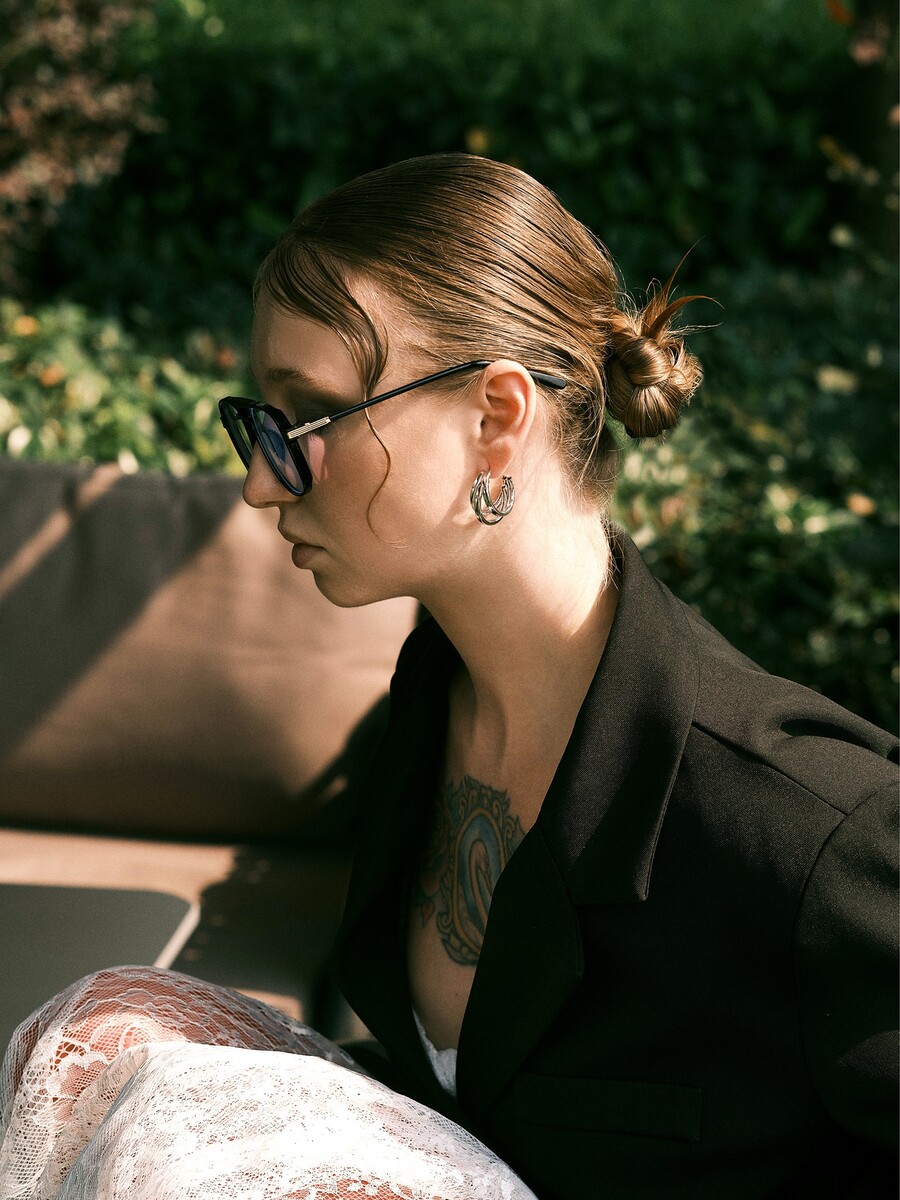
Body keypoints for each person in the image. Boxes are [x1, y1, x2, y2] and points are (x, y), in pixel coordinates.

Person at [1, 153, 896, 1200]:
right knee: (103, 1027)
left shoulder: (812, 833)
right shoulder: (431, 701)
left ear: (496, 418)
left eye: (306, 421)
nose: (259, 484)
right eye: (259, 425)